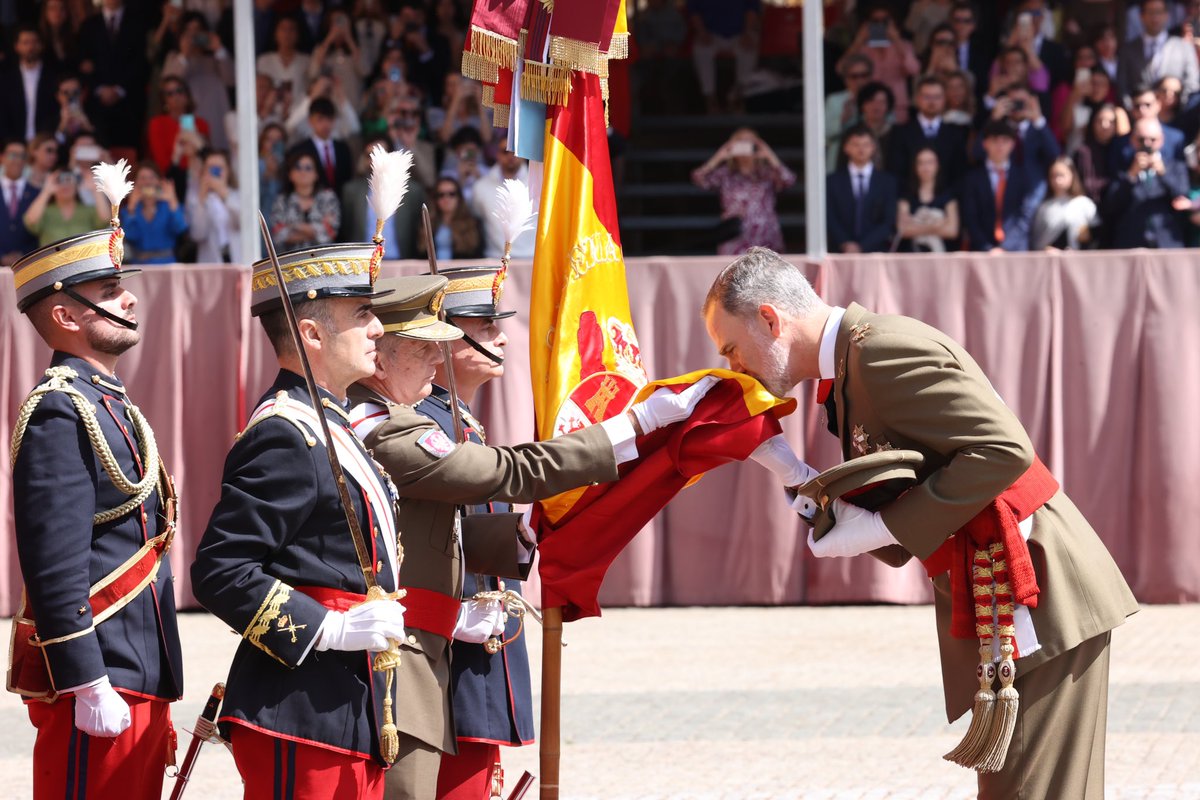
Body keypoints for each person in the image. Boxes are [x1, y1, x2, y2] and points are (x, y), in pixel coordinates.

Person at [701, 246, 1137, 800]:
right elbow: (921, 481)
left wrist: (885, 528)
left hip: (1037, 588)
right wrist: (803, 481)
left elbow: (1004, 450)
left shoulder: (878, 353)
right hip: (1014, 587)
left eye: (733, 349)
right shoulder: (856, 364)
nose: (734, 367)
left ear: (770, 318)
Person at [346, 274, 713, 800]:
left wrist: (517, 535)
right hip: (394, 660)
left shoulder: (397, 416)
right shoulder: (382, 425)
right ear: (381, 361)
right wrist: (633, 425)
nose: (437, 360)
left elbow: (419, 531)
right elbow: (505, 471)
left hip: (422, 655)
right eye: (425, 349)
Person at [192, 243, 405, 799]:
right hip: (300, 708)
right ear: (311, 334)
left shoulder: (329, 421)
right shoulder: (285, 432)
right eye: (362, 315)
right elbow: (221, 570)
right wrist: (327, 629)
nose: (378, 328)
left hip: (346, 702)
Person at [9, 211, 183, 799]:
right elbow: (53, 560)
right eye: (110, 291)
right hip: (103, 672)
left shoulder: (109, 401)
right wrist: (85, 679)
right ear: (64, 315)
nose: (130, 299)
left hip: (137, 669)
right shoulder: (60, 409)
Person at [412, 267, 532, 800]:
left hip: (477, 643)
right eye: (482, 325)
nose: (501, 335)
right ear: (440, 337)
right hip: (446, 647)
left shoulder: (462, 422)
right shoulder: (422, 423)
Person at [691, 128, 796, 256]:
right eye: (740, 141)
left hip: (765, 233)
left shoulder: (766, 173)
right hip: (735, 234)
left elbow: (788, 180)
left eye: (749, 141)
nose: (745, 144)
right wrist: (719, 156)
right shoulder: (725, 173)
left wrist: (769, 155)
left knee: (768, 274)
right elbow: (699, 178)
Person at [1100, 116, 1192, 248]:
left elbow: (1183, 197)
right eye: (1141, 139)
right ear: (1132, 140)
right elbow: (1111, 204)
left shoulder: (1174, 166)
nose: (1147, 144)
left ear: (1161, 140)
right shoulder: (1123, 165)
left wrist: (1163, 173)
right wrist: (1131, 174)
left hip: (1167, 244)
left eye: (1152, 140)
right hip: (1131, 244)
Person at [76, 0, 150, 156]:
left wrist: (119, 89)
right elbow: (82, 64)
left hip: (129, 103)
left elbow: (142, 62)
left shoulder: (139, 22)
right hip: (97, 105)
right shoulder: (89, 25)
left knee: (128, 156)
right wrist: (99, 88)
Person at [961, 121, 1045, 252]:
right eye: (994, 140)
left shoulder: (1023, 176)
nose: (1000, 146)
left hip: (1016, 250)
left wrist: (1005, 247)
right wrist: (988, 248)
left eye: (1005, 141)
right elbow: (970, 218)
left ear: (1012, 145)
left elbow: (1026, 216)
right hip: (982, 250)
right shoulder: (972, 179)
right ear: (985, 144)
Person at [341, 136, 425, 258]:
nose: (374, 160)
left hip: (402, 263)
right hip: (362, 264)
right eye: (369, 155)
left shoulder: (412, 191)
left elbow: (418, 230)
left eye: (379, 154)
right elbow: (347, 230)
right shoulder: (351, 191)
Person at [161, 12, 234, 152]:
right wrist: (184, 55)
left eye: (198, 31)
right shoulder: (173, 58)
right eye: (188, 31)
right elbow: (169, 85)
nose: (194, 36)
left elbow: (231, 80)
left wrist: (219, 49)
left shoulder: (215, 59)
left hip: (216, 118)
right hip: (189, 120)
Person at [837, 6, 920, 124]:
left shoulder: (904, 46)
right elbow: (841, 68)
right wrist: (859, 40)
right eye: (875, 21)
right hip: (870, 108)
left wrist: (896, 39)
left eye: (884, 21)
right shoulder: (863, 49)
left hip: (898, 107)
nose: (880, 25)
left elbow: (914, 69)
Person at [826, 124, 898, 254]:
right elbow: (830, 217)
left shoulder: (888, 182)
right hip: (840, 252)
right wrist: (845, 243)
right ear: (846, 147)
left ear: (873, 147)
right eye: (855, 144)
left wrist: (862, 246)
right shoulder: (832, 182)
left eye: (866, 144)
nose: (861, 149)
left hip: (876, 252)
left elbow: (888, 222)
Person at [886, 75, 969, 184]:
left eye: (937, 97)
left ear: (944, 99)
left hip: (948, 198)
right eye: (927, 97)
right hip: (909, 197)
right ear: (917, 99)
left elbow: (960, 174)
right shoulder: (900, 133)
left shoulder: (956, 134)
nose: (932, 102)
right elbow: (895, 172)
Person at [1116, 0, 1199, 104]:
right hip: (1139, 114)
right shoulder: (1127, 50)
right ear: (1141, 16)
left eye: (1159, 12)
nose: (1155, 17)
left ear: (1166, 15)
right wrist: (1137, 109)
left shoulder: (1183, 47)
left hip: (1177, 115)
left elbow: (1192, 84)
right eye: (1150, 12)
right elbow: (1122, 87)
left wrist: (1176, 108)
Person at [686, 0, 760, 113]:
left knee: (748, 50)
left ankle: (739, 97)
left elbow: (752, 9)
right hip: (710, 33)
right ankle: (710, 98)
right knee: (701, 50)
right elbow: (694, 11)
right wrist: (702, 32)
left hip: (741, 33)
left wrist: (748, 32)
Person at [470, 148, 536, 259]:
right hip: (494, 258)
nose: (511, 156)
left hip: (531, 258)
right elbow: (476, 215)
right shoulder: (480, 186)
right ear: (497, 154)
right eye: (505, 152)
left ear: (524, 154)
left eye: (515, 152)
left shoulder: (539, 183)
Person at [270, 150, 342, 250]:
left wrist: (293, 226)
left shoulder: (328, 198)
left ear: (316, 174)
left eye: (308, 168)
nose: (303, 172)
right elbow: (278, 236)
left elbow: (329, 233)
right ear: (290, 175)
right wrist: (314, 232)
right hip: (289, 261)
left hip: (322, 261)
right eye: (298, 167)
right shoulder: (282, 201)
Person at [0, 25, 59, 143]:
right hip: (12, 144)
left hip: (46, 143)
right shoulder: (5, 79)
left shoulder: (54, 77)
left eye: (35, 42)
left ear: (41, 45)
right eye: (25, 43)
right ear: (16, 46)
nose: (30, 47)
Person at [146, 76, 212, 179]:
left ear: (187, 95)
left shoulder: (201, 123)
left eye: (179, 91)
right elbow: (162, 164)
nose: (176, 96)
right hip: (171, 178)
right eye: (170, 94)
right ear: (164, 100)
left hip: (199, 177)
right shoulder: (157, 124)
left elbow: (208, 159)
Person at [287, 96, 354, 196]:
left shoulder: (343, 149)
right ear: (310, 121)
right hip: (311, 204)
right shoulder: (299, 150)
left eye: (329, 119)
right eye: (320, 119)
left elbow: (348, 180)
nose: (325, 124)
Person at [23, 169, 107, 248]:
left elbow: (105, 220)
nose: (65, 185)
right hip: (53, 262)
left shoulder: (87, 211)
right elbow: (31, 221)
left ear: (76, 184)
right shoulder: (45, 212)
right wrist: (46, 191)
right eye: (60, 180)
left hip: (83, 262)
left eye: (69, 179)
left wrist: (95, 189)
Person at [897, 146, 960, 252]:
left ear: (937, 165)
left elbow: (952, 231)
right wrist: (937, 225)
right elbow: (902, 230)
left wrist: (916, 225)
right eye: (921, 163)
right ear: (915, 166)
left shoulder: (948, 196)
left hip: (942, 258)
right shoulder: (906, 196)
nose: (926, 167)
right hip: (912, 257)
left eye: (930, 162)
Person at [123, 162, 187, 265]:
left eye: (152, 177)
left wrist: (173, 201)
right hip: (140, 265)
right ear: (135, 183)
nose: (147, 182)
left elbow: (180, 229)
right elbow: (131, 236)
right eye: (142, 178)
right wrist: (132, 207)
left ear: (159, 181)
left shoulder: (167, 206)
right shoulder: (129, 210)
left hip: (167, 264)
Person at [1030, 156, 1099, 249]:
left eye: (1062, 175)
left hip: (1078, 260)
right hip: (1051, 261)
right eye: (1054, 176)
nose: (1058, 180)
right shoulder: (1044, 207)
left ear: (1072, 175)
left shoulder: (1084, 204)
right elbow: (1036, 240)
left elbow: (1096, 236)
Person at [184, 148, 240, 263]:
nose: (215, 172)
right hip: (211, 263)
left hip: (237, 259)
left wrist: (225, 195)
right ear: (204, 171)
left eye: (219, 168)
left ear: (228, 171)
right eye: (211, 168)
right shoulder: (195, 197)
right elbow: (197, 234)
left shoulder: (237, 195)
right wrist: (201, 200)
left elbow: (243, 223)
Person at [824, 55, 874, 173]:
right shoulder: (835, 100)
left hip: (871, 158)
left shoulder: (878, 98)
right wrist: (843, 119)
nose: (860, 80)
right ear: (845, 79)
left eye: (864, 75)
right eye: (854, 76)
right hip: (839, 158)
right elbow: (825, 134)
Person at [415, 177, 482, 260]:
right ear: (435, 199)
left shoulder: (473, 224)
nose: (446, 199)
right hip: (433, 272)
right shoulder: (425, 224)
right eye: (441, 195)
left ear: (459, 198)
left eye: (451, 194)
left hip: (459, 271)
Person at [1073, 103, 1127, 204]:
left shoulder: (1122, 150)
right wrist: (1113, 184)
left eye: (1111, 122)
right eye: (1099, 121)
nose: (1105, 126)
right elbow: (1087, 185)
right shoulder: (1083, 152)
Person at [0, 139, 40, 265]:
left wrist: (24, 255)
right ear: (2, 157)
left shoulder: (38, 194)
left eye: (22, 156)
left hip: (28, 265)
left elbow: (40, 231)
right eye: (13, 155)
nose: (18, 160)